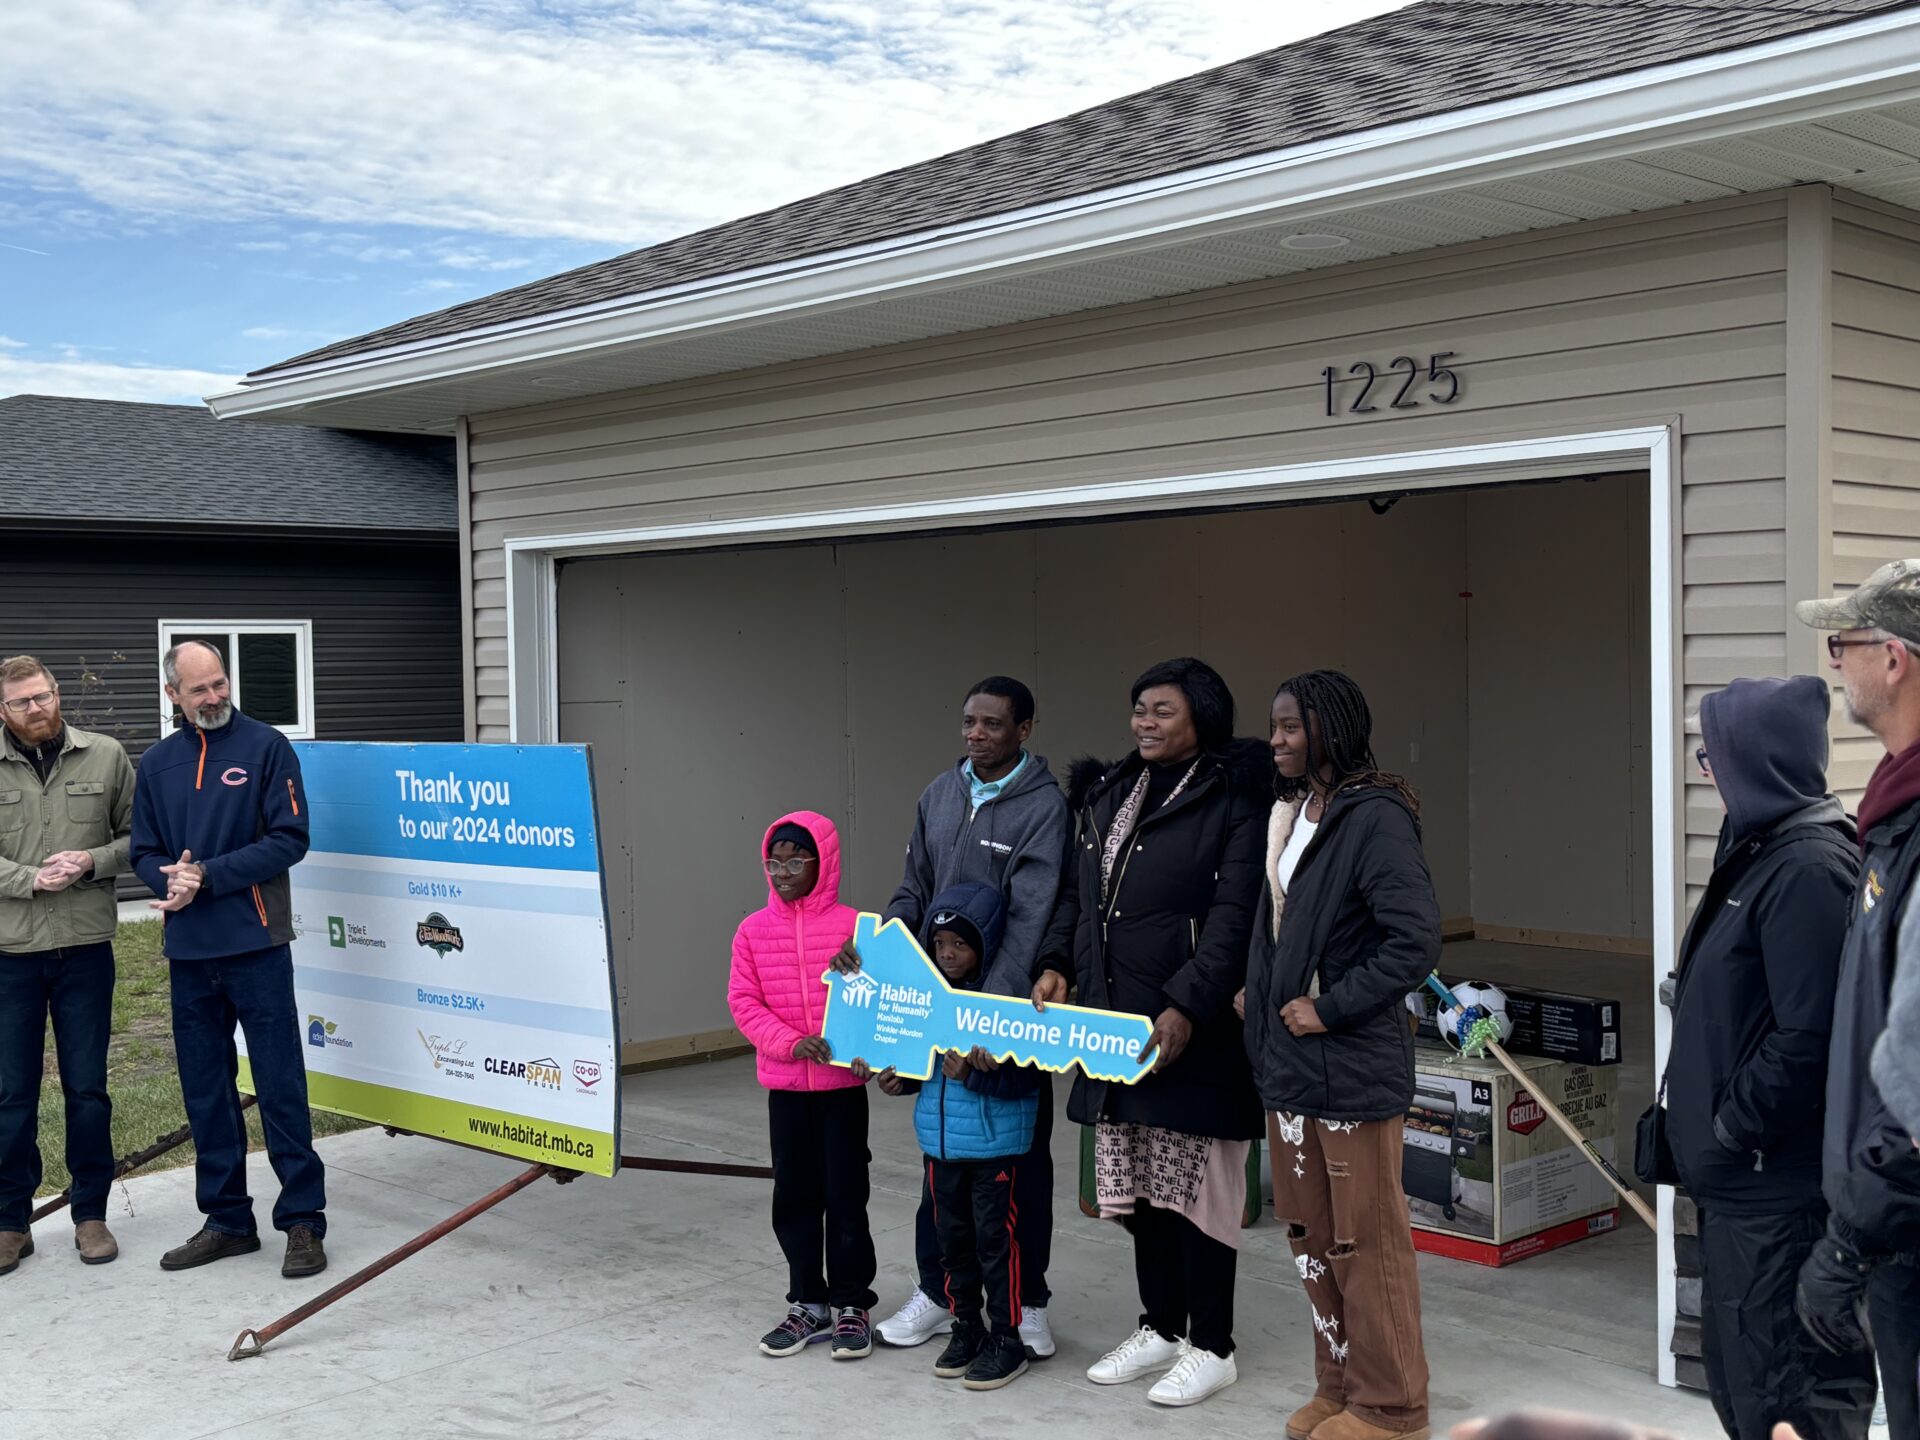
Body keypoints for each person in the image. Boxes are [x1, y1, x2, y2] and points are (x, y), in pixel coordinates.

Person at [1031, 656, 1267, 1408]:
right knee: (1139, 1191)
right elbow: (1076, 897)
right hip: (1114, 1025)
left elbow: (1236, 917)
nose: (1145, 721)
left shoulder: (1234, 795)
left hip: (1192, 1028)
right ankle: (1162, 1327)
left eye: (1163, 709)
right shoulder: (1109, 792)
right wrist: (1056, 963)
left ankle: (1213, 1345)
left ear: (1203, 716)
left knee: (1200, 1194)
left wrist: (1187, 1005)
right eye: (1139, 708)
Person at [1666, 677, 1875, 1440]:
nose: (1707, 774)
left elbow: (1810, 1038)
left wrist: (1731, 1127)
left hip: (1777, 1202)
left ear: (1759, 764)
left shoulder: (1807, 872)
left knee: (1790, 1406)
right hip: (1739, 1198)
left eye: (1713, 758)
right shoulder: (1759, 853)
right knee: (1744, 1392)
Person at [1240, 669, 1438, 1440]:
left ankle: (1393, 1407)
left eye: (1291, 726)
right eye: (1274, 726)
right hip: (1289, 1066)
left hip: (1351, 1067)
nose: (1277, 740)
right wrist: (1261, 991)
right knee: (1311, 1236)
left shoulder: (1376, 817)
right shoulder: (1293, 814)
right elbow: (1285, 928)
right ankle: (1340, 1385)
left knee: (1367, 1240)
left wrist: (1330, 1006)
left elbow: (1413, 941)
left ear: (1333, 729)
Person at [849, 677, 1070, 1358]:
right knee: (942, 1163)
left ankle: (1027, 1304)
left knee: (1018, 1170)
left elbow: (1030, 917)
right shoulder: (939, 795)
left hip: (1003, 1013)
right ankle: (942, 1293)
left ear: (1024, 730)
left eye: (993, 725)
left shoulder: (1044, 807)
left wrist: (982, 1018)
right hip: (932, 1005)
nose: (976, 734)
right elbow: (913, 889)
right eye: (970, 721)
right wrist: (890, 970)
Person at [129, 640, 327, 1278]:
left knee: (279, 1086)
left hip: (256, 945)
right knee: (206, 1091)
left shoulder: (267, 747)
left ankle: (303, 1220)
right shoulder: (156, 763)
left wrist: (207, 875)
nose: (214, 697)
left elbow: (290, 839)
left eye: (220, 683)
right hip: (189, 951)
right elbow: (143, 851)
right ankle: (227, 1221)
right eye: (199, 689)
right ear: (173, 696)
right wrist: (169, 879)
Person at [1793, 561, 1920, 1440]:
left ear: (1896, 658)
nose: (1835, 662)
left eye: (1844, 643)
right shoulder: (1893, 819)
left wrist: (1850, 1241)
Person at [853, 882, 1039, 1392]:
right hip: (940, 1148)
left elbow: (1028, 1079)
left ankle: (1007, 1339)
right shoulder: (926, 999)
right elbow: (922, 1065)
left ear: (985, 944)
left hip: (993, 1150)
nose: (948, 954)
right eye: (939, 944)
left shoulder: (1008, 1001)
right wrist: (902, 1081)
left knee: (994, 1245)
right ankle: (967, 1327)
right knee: (952, 1244)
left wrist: (975, 1076)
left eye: (959, 944)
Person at [0, 655, 135, 1273]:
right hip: (11, 955)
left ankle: (91, 1214)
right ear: (3, 709)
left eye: (43, 696)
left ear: (56, 693)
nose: (36, 708)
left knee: (87, 1089)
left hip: (85, 951)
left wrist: (90, 861)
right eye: (21, 701)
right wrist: (28, 879)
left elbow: (139, 838)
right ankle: (10, 1222)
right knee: (11, 1094)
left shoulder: (106, 756)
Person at [727, 811, 877, 1360]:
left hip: (842, 1091)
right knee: (794, 1196)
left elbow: (880, 998)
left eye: (796, 861)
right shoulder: (752, 931)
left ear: (824, 863)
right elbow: (744, 1002)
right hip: (787, 1089)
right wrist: (791, 1043)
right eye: (775, 862)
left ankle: (852, 1303)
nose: (784, 873)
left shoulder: (855, 927)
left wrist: (869, 1051)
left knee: (846, 1195)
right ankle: (808, 1303)